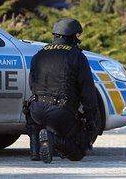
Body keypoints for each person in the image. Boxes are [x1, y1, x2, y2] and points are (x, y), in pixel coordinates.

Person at [24, 18, 98, 163]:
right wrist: (91, 120)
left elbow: (32, 84)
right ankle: (55, 140)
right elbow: (88, 91)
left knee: (32, 110)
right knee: (78, 152)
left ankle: (36, 148)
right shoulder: (77, 56)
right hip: (61, 113)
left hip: (36, 112)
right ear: (71, 35)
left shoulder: (38, 55)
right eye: (77, 35)